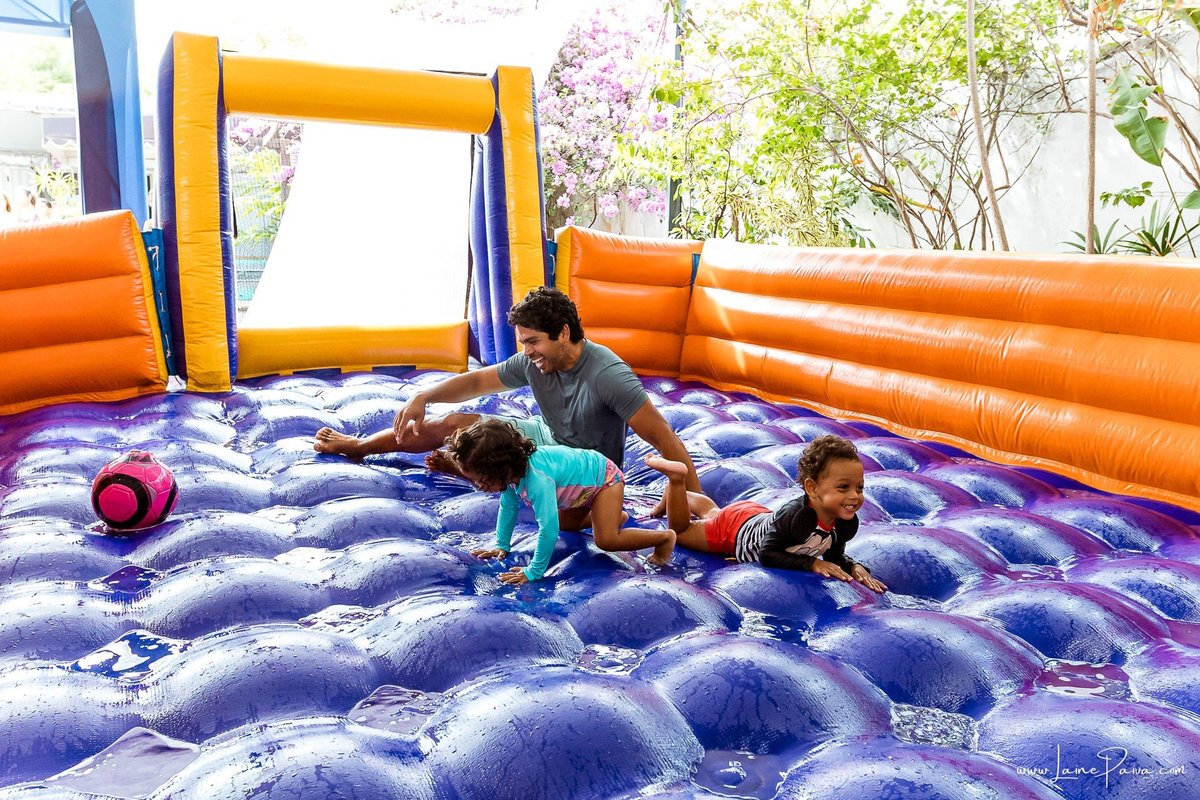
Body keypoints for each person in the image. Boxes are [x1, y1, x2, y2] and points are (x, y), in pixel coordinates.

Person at [315, 286, 700, 526]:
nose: (526, 351)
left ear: (563, 333)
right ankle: (359, 447)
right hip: (545, 437)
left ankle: (473, 470)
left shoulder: (607, 375)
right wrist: (423, 396)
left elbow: (666, 441)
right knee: (453, 424)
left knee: (564, 521)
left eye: (533, 342)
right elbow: (479, 381)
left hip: (585, 466)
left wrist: (695, 509)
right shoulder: (536, 360)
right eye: (523, 342)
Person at [646, 434, 887, 592]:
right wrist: (811, 563)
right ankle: (677, 482)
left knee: (713, 512)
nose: (855, 496)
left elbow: (834, 555)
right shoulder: (796, 517)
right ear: (812, 488)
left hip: (756, 515)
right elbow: (767, 554)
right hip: (735, 531)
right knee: (682, 530)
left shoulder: (841, 524)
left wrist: (852, 566)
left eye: (859, 487)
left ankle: (683, 497)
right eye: (843, 488)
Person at [448, 419, 675, 583]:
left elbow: (548, 529)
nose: (479, 486)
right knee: (566, 523)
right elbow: (508, 507)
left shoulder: (537, 479)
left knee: (606, 540)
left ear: (499, 468)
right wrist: (501, 545)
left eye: (481, 480)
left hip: (604, 479)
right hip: (579, 492)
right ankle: (611, 516)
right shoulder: (511, 475)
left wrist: (534, 571)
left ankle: (664, 538)